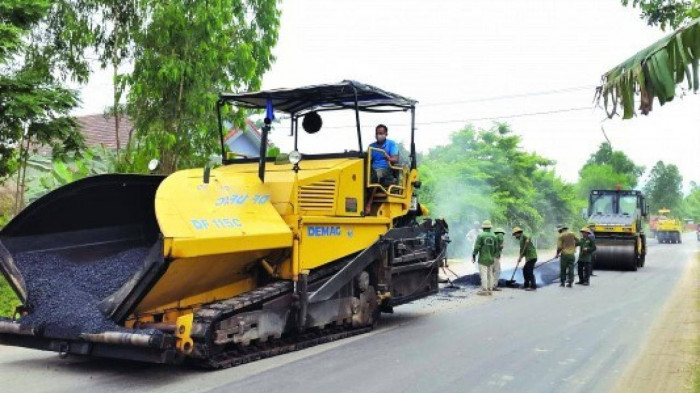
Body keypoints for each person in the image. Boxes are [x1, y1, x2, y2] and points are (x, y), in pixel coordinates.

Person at [365, 124, 399, 214]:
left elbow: (395, 158)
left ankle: (369, 204)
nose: (379, 135)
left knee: (376, 175)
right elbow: (367, 159)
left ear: (386, 134)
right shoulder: (371, 146)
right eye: (377, 133)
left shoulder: (391, 144)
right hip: (372, 169)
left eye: (381, 133)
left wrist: (388, 158)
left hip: (386, 170)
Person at [472, 220, 498, 296]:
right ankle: (490, 289)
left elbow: (476, 247)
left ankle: (484, 290)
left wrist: (473, 255)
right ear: (490, 227)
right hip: (491, 259)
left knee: (483, 274)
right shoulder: (494, 236)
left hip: (482, 259)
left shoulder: (480, 236)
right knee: (490, 274)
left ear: (483, 228)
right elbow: (496, 249)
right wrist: (493, 256)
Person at [512, 227, 538, 291]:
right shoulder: (521, 239)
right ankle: (526, 284)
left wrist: (528, 239)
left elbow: (529, 236)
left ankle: (533, 286)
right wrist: (520, 257)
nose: (515, 236)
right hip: (529, 256)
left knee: (529, 271)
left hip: (531, 256)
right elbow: (523, 250)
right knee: (525, 270)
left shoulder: (524, 236)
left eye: (515, 234)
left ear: (518, 233)